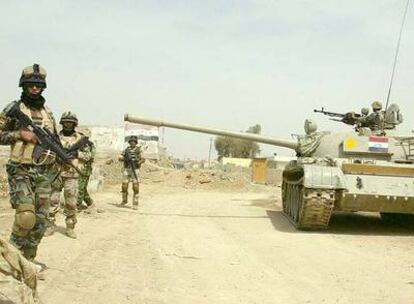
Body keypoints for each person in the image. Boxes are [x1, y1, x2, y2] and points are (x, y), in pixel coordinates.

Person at [0, 64, 57, 260]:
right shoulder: (13, 109)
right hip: (20, 170)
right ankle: (11, 260)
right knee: (26, 216)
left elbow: (54, 142)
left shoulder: (48, 113)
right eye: (31, 85)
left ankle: (27, 261)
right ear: (23, 85)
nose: (34, 88)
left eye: (38, 85)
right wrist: (20, 134)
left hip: (44, 172)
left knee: (40, 221)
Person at [46, 112, 93, 238]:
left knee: (71, 202)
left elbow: (88, 156)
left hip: (72, 174)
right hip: (56, 172)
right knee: (52, 200)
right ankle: (50, 225)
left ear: (74, 124)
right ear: (62, 123)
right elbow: (47, 153)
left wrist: (77, 155)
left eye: (70, 122)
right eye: (66, 122)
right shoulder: (55, 138)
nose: (68, 124)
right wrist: (57, 156)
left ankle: (70, 226)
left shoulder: (80, 139)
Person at [118, 136, 145, 210]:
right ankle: (124, 200)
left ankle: (135, 203)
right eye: (131, 141)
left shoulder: (139, 150)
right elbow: (120, 157)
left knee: (135, 186)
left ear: (136, 142)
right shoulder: (126, 150)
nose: (132, 142)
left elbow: (143, 159)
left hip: (135, 169)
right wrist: (124, 158)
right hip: (127, 169)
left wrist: (138, 163)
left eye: (134, 141)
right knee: (124, 185)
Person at [77, 134, 96, 212]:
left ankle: (77, 205)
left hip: (85, 169)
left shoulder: (89, 145)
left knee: (80, 188)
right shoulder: (77, 143)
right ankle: (90, 202)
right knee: (82, 188)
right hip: (75, 168)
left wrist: (76, 154)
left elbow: (88, 157)